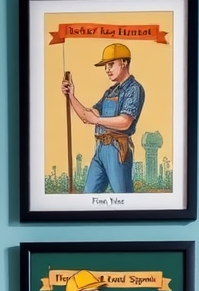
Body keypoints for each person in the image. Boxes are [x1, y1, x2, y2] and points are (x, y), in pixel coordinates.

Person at [61, 43, 145, 193]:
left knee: (123, 197)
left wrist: (98, 120)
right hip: (100, 149)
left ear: (124, 62)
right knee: (88, 196)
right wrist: (71, 96)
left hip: (117, 149)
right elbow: (87, 116)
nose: (107, 70)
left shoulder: (134, 89)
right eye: (105, 66)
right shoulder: (110, 92)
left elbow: (125, 122)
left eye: (111, 64)